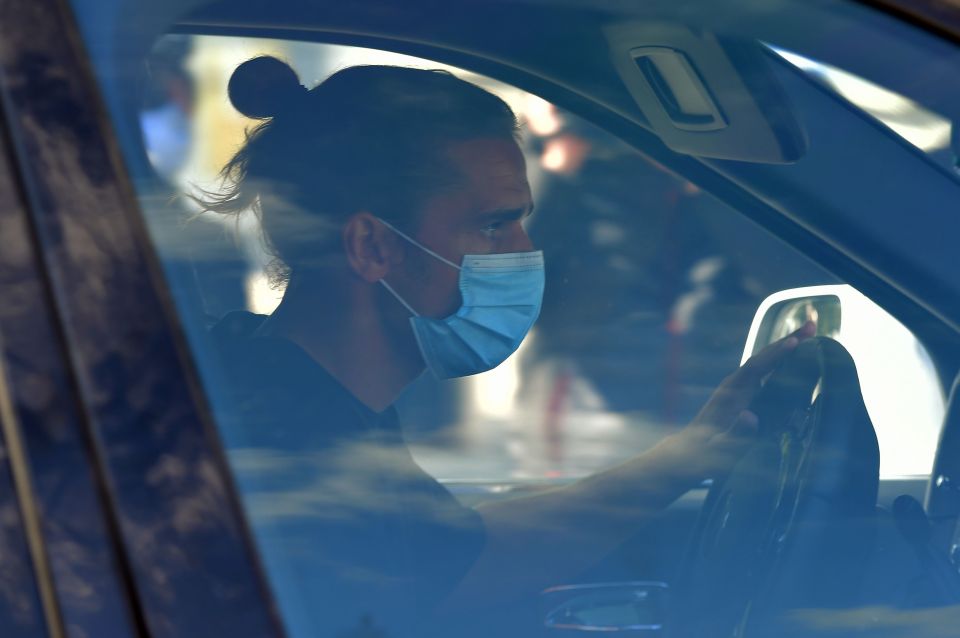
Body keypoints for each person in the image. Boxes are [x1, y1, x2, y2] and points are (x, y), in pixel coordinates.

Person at [202, 56, 814, 638]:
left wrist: (687, 457)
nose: (525, 250)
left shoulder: (289, 391)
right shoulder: (292, 447)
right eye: (494, 225)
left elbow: (459, 557)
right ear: (372, 247)